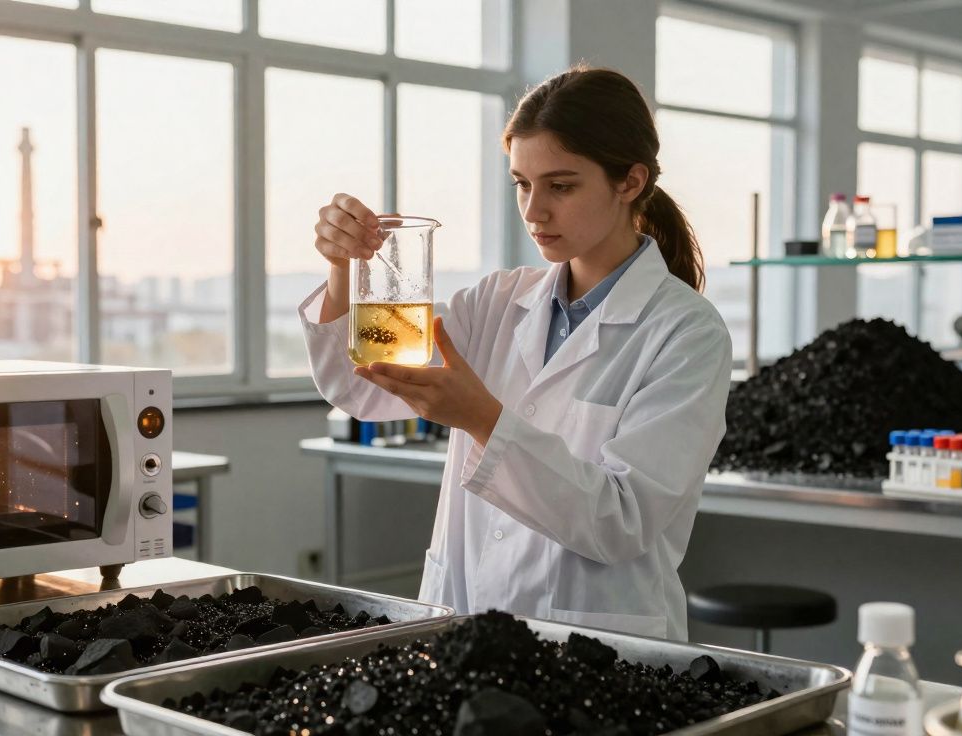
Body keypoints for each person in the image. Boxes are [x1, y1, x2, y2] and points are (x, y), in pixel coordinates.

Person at [298, 66, 732, 641]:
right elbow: (362, 388)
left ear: (629, 182)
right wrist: (343, 271)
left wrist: (482, 418)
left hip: (594, 646)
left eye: (561, 185)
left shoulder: (686, 333)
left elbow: (621, 522)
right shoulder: (498, 302)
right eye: (522, 184)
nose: (533, 212)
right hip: (462, 618)